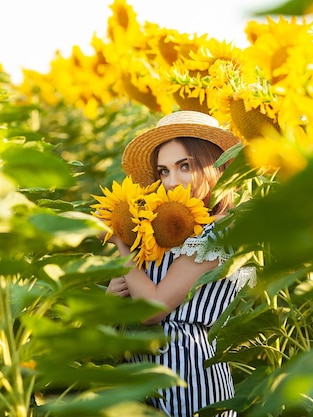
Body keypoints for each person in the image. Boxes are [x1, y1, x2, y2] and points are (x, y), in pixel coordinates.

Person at [106, 110, 249, 417]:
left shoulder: (219, 233)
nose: (173, 181)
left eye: (184, 166)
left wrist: (123, 249)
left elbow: (154, 308)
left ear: (213, 164)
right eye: (164, 171)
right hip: (149, 371)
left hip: (188, 373)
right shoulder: (174, 232)